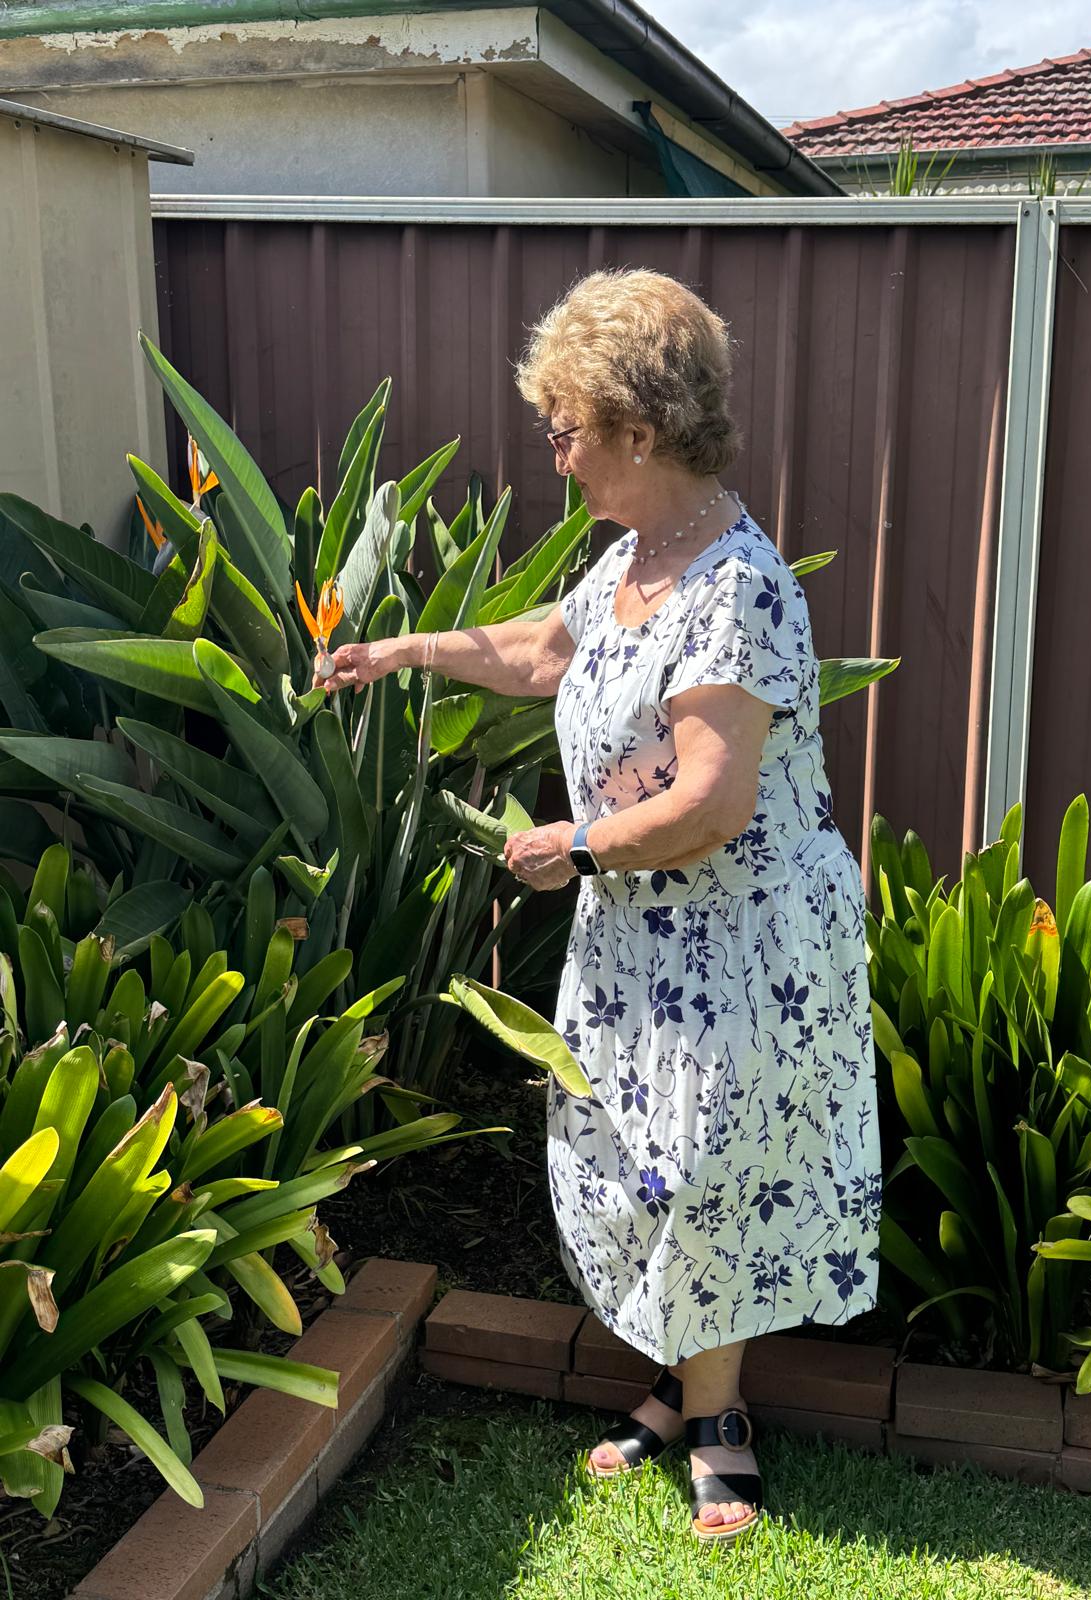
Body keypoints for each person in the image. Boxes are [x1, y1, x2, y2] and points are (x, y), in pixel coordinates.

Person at [319, 266, 882, 1545]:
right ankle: (686, 1380)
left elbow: (711, 803)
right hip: (640, 933)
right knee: (637, 1160)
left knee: (708, 1169)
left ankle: (717, 1414)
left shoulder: (736, 587)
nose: (556, 452)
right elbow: (545, 649)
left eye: (566, 426)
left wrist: (574, 844)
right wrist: (402, 652)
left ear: (638, 426)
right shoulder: (636, 558)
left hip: (735, 941)